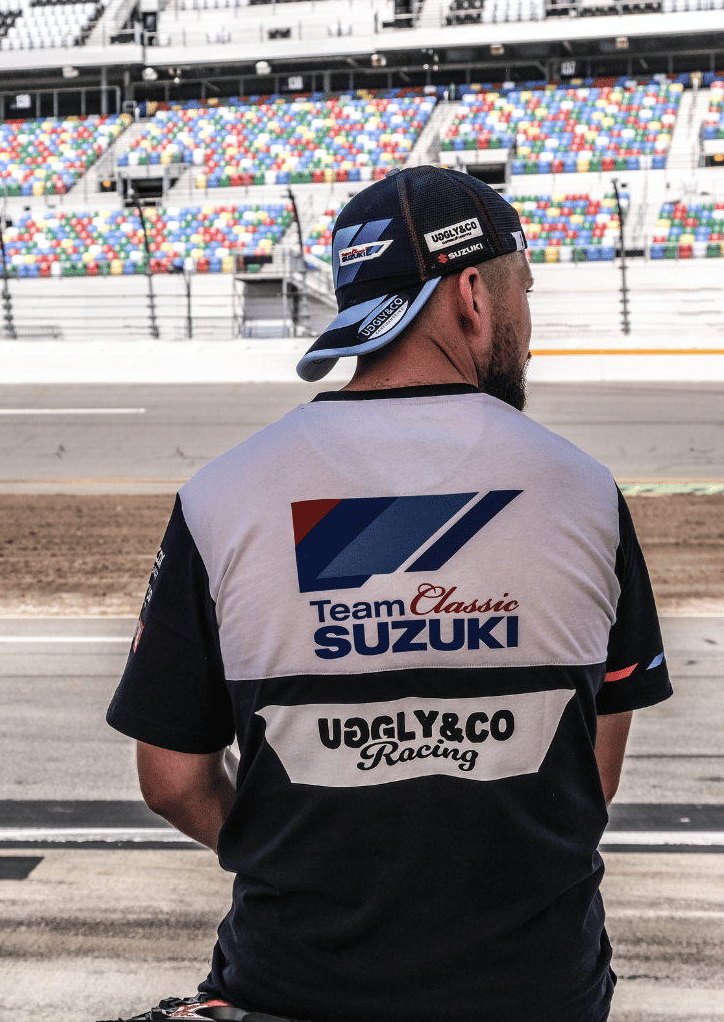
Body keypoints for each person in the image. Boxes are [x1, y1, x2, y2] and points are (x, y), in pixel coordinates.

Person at [106, 165, 672, 1022]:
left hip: (297, 982)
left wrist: (303, 866)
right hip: (533, 986)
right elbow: (593, 771)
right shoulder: (583, 491)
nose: (528, 320)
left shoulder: (224, 495)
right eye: (523, 289)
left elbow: (172, 779)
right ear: (473, 293)